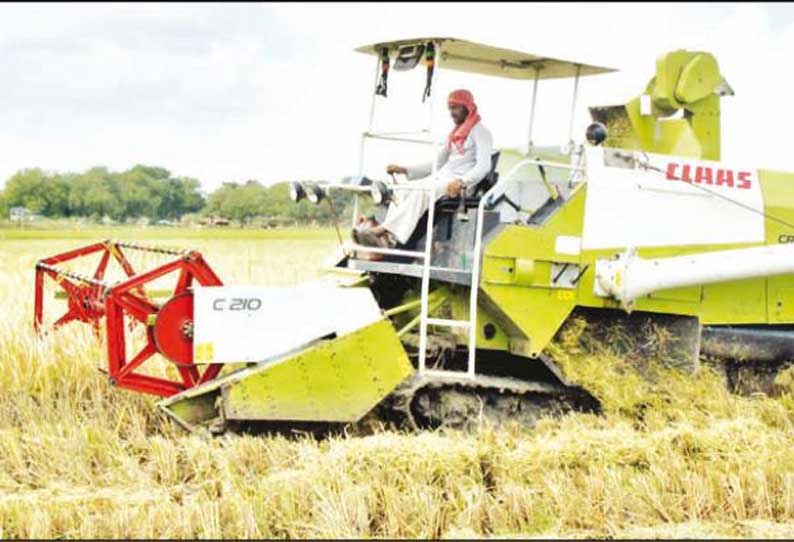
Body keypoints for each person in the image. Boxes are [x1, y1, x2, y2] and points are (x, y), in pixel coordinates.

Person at [353, 88, 494, 248]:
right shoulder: (456, 133)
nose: (451, 113)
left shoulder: (481, 132)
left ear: (467, 107)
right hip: (444, 180)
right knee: (403, 190)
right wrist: (406, 170)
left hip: (461, 186)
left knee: (423, 192)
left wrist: (462, 182)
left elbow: (484, 166)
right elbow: (437, 163)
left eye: (455, 108)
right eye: (450, 109)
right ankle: (388, 238)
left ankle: (382, 231)